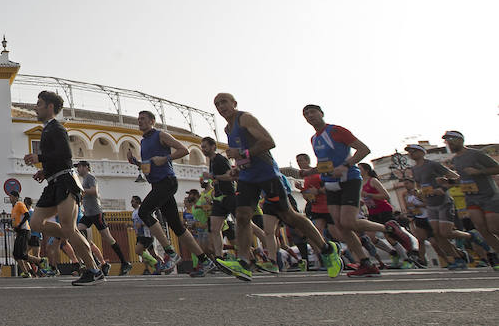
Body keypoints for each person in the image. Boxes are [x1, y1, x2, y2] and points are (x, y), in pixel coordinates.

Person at [212, 94, 340, 281]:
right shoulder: (227, 128)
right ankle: (244, 262)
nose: (221, 106)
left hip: (267, 174)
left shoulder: (245, 118)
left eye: (224, 102)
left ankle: (327, 249)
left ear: (234, 103)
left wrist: (242, 153)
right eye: (217, 104)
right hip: (247, 177)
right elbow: (244, 154)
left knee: (289, 216)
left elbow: (268, 142)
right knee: (242, 215)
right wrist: (237, 167)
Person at [300, 104, 418, 277]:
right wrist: (311, 171)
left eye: (313, 112)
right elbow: (325, 164)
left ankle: (391, 229)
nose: (310, 116)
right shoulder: (314, 139)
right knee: (341, 226)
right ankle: (365, 262)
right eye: (306, 114)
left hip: (349, 179)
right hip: (331, 183)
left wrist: (346, 166)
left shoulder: (336, 131)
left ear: (321, 113)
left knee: (348, 222)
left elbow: (363, 149)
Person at [25, 90, 103, 285]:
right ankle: (74, 237)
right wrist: (45, 171)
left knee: (69, 227)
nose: (36, 107)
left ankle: (93, 269)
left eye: (39, 103)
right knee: (35, 223)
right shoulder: (47, 130)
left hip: (66, 182)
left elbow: (65, 155)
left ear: (50, 107)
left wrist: (40, 158)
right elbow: (57, 158)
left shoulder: (57, 128)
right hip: (53, 183)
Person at [125, 110, 211, 277]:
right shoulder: (143, 142)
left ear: (152, 121)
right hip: (157, 184)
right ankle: (205, 261)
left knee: (144, 211)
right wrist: (134, 161)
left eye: (143, 119)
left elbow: (184, 150)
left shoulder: (160, 135)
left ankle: (171, 253)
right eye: (138, 119)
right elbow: (148, 166)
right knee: (177, 227)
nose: (139, 121)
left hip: (167, 182)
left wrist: (165, 159)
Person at [445, 130, 499, 270]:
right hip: (471, 198)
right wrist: (450, 181)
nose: (449, 142)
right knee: (481, 229)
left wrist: (479, 172)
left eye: (451, 139)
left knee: (494, 227)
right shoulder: (455, 159)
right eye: (446, 140)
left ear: (460, 140)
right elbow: (463, 178)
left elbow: (496, 168)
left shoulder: (476, 154)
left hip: (489, 195)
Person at [76, 160, 132, 276]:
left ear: (86, 167)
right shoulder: (84, 180)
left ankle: (124, 262)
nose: (78, 169)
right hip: (88, 214)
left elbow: (94, 191)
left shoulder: (90, 177)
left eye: (80, 167)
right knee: (78, 230)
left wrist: (81, 190)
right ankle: (94, 260)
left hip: (96, 213)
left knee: (108, 238)